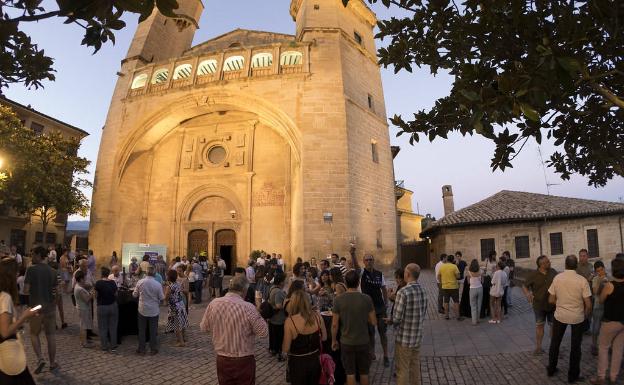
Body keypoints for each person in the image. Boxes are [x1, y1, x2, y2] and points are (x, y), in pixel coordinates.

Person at [200, 275, 268, 385]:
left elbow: (204, 327)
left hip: (222, 359)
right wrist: (259, 307)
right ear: (244, 290)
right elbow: (263, 332)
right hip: (244, 359)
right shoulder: (248, 307)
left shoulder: (214, 303)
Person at [547, 254, 592, 383]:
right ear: (576, 265)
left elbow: (551, 300)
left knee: (555, 343)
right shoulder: (582, 280)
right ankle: (573, 376)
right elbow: (588, 305)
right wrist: (585, 315)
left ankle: (551, 368)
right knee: (575, 347)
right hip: (577, 316)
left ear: (565, 265)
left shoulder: (557, 278)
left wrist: (561, 304)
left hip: (560, 315)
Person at [332, 270, 377, 385]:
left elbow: (335, 324)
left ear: (346, 283)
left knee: (350, 373)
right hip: (363, 341)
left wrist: (333, 340)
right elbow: (373, 321)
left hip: (346, 342)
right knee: (364, 373)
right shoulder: (367, 298)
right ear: (358, 283)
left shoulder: (338, 300)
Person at [385, 263, 427, 385]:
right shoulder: (423, 290)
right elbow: (423, 313)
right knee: (414, 367)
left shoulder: (403, 292)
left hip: (404, 339)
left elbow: (397, 318)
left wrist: (391, 320)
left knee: (402, 369)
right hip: (417, 337)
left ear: (407, 274)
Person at [0, 257, 39, 384]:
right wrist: (24, 317)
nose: (17, 276)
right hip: (8, 352)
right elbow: (5, 332)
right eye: (16, 273)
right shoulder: (5, 298)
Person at [23, 246, 59, 373]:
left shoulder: (31, 269)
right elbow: (56, 292)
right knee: (51, 336)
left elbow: (26, 290)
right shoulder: (53, 271)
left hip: (36, 308)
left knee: (34, 334)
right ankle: (53, 363)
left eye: (32, 254)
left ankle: (40, 359)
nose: (31, 257)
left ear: (38, 255)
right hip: (49, 308)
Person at [590, 257, 624, 385]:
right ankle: (614, 377)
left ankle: (601, 377)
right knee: (618, 350)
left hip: (610, 321)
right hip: (622, 322)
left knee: (603, 348)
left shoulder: (610, 285)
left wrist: (601, 286)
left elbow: (601, 300)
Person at [282, 290, 327, 385]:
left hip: (297, 363)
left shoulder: (290, 322)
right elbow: (324, 338)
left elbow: (286, 348)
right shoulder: (317, 316)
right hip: (315, 361)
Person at [522, 255, 558, 355]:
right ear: (541, 265)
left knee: (553, 327)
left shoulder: (553, 271)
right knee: (539, 326)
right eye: (547, 262)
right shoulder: (534, 274)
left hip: (552, 305)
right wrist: (527, 294)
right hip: (539, 305)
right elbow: (524, 285)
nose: (549, 262)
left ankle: (553, 348)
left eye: (548, 261)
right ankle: (538, 347)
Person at [360, 254, 390, 366]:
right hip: (368, 309)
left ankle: (386, 355)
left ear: (374, 261)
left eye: (371, 259)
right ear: (363, 261)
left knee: (383, 332)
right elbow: (355, 266)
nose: (369, 261)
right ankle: (372, 353)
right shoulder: (362, 273)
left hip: (380, 307)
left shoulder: (379, 274)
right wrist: (353, 254)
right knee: (370, 333)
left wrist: (386, 303)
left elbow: (384, 288)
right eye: (367, 260)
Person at [133, 266, 164, 355]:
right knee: (153, 330)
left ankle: (141, 349)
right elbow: (161, 298)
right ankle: (153, 349)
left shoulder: (140, 282)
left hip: (142, 309)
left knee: (142, 330)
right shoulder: (157, 284)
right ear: (154, 273)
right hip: (154, 310)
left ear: (146, 273)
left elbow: (135, 295)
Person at [94, 266, 118, 353]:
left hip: (102, 307)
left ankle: (104, 346)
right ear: (108, 274)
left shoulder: (98, 283)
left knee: (103, 327)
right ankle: (113, 346)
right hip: (112, 306)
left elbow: (96, 296)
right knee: (113, 327)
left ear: (101, 274)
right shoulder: (113, 283)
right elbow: (116, 294)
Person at [165, 269, 189, 347]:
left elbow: (166, 297)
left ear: (169, 276)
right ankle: (184, 337)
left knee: (176, 325)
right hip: (180, 304)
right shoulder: (178, 283)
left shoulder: (169, 287)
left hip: (174, 306)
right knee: (182, 321)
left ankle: (181, 342)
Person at [590, 260, 608, 356]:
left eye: (602, 270)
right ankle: (594, 345)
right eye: (598, 271)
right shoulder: (595, 279)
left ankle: (609, 346)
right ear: (596, 271)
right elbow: (595, 292)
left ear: (604, 268)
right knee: (596, 327)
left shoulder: (609, 277)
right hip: (598, 306)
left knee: (608, 327)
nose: (601, 272)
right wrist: (601, 283)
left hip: (609, 306)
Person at [268, 272, 287, 361]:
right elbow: (279, 305)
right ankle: (279, 353)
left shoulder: (272, 288)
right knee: (279, 337)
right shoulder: (279, 291)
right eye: (284, 281)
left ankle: (273, 350)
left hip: (272, 318)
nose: (285, 282)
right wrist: (287, 304)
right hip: (279, 318)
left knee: (273, 335)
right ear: (281, 282)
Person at [74, 270, 95, 348]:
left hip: (81, 308)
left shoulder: (78, 286)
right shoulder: (79, 289)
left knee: (83, 325)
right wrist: (92, 294)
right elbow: (86, 299)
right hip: (83, 309)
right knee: (84, 326)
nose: (85, 279)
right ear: (81, 279)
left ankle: (83, 340)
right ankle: (84, 343)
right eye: (84, 278)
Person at [437, 254, 461, 321]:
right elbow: (458, 276)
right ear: (453, 260)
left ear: (447, 259)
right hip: (454, 287)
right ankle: (458, 316)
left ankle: (446, 316)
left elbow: (438, 276)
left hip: (445, 287)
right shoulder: (454, 266)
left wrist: (442, 282)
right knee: (456, 302)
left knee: (446, 302)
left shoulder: (442, 267)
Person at [467, 259, 483, 325]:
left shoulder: (469, 272)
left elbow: (468, 282)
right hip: (480, 288)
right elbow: (482, 281)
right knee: (479, 305)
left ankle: (474, 321)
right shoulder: (480, 271)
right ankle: (478, 319)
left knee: (473, 305)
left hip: (472, 289)